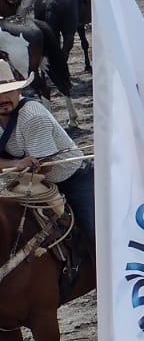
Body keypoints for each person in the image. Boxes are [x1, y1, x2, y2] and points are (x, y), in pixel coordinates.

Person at [0, 72, 94, 239]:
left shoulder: (32, 117)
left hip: (72, 179)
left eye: (7, 91)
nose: (2, 98)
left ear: (18, 90)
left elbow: (45, 166)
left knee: (94, 235)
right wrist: (16, 163)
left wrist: (14, 166)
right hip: (26, 180)